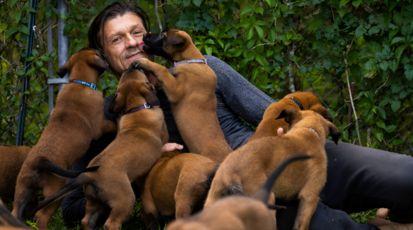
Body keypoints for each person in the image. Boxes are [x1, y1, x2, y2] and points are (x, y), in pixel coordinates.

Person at [61, 2, 413, 229]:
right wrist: (140, 171)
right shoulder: (108, 117)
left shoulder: (204, 69)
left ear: (151, 37)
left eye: (137, 32)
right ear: (103, 56)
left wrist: (293, 130)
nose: (133, 42)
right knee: (329, 227)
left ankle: (391, 207)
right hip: (238, 192)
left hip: (297, 157)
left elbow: (271, 109)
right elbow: (72, 205)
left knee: (405, 175)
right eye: (118, 39)